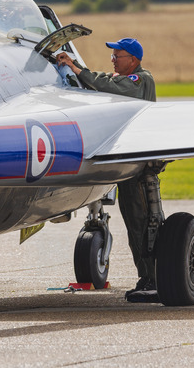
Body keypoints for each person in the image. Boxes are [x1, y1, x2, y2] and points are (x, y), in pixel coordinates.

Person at [57, 38, 162, 301]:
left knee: (144, 224)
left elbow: (105, 83)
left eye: (119, 55)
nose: (113, 59)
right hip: (129, 167)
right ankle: (149, 277)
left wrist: (77, 69)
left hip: (139, 170)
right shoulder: (124, 79)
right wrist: (75, 68)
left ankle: (152, 279)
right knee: (135, 223)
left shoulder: (140, 80)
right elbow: (105, 79)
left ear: (134, 60)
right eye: (113, 55)